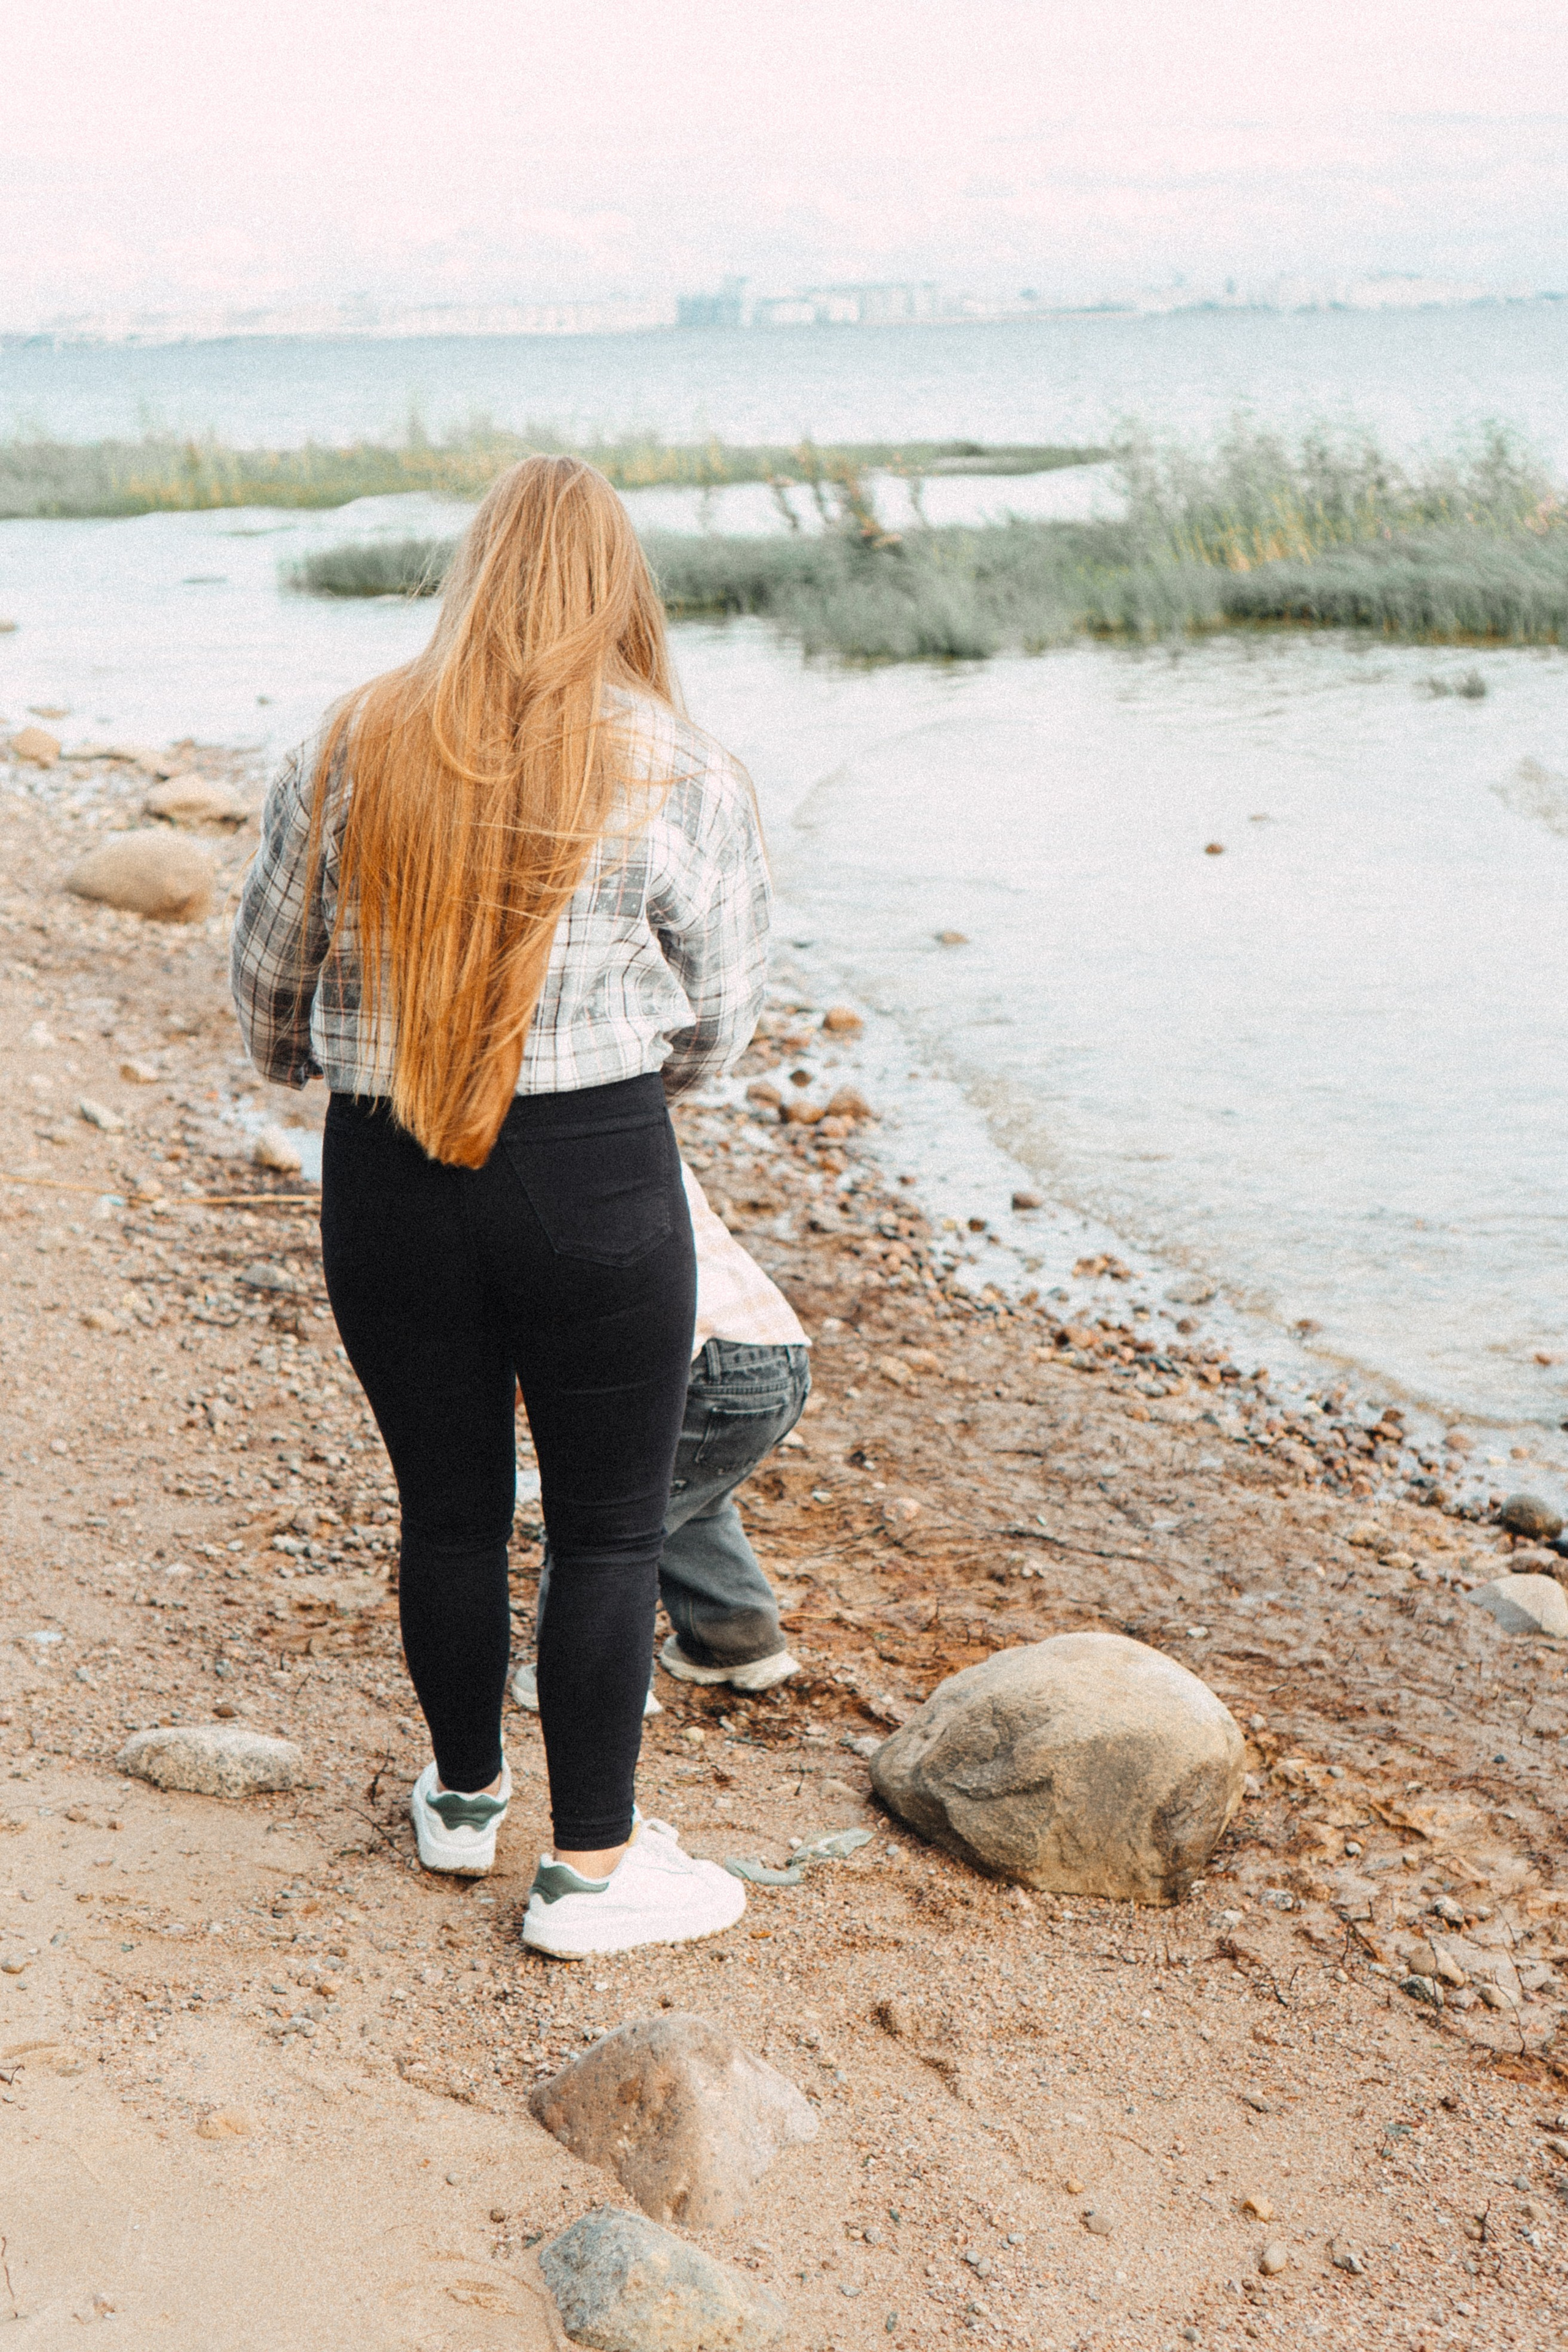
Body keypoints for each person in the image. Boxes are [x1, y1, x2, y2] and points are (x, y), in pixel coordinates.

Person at [231, 457, 770, 1961]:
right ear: (615, 585)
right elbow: (723, 1015)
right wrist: (631, 1090)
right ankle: (590, 1869)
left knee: (449, 1508)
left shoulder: (347, 742)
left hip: (387, 1170)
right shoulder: (677, 762)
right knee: (606, 1530)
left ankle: (464, 1799)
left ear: (471, 572)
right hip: (593, 1168)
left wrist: (321, 1061)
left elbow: (269, 991)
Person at [514, 1161, 808, 1717]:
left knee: (604, 1522)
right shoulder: (629, 1135)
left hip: (698, 1369)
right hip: (777, 1351)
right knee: (690, 1499)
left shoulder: (533, 1174)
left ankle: (588, 1676)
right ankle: (734, 1638)